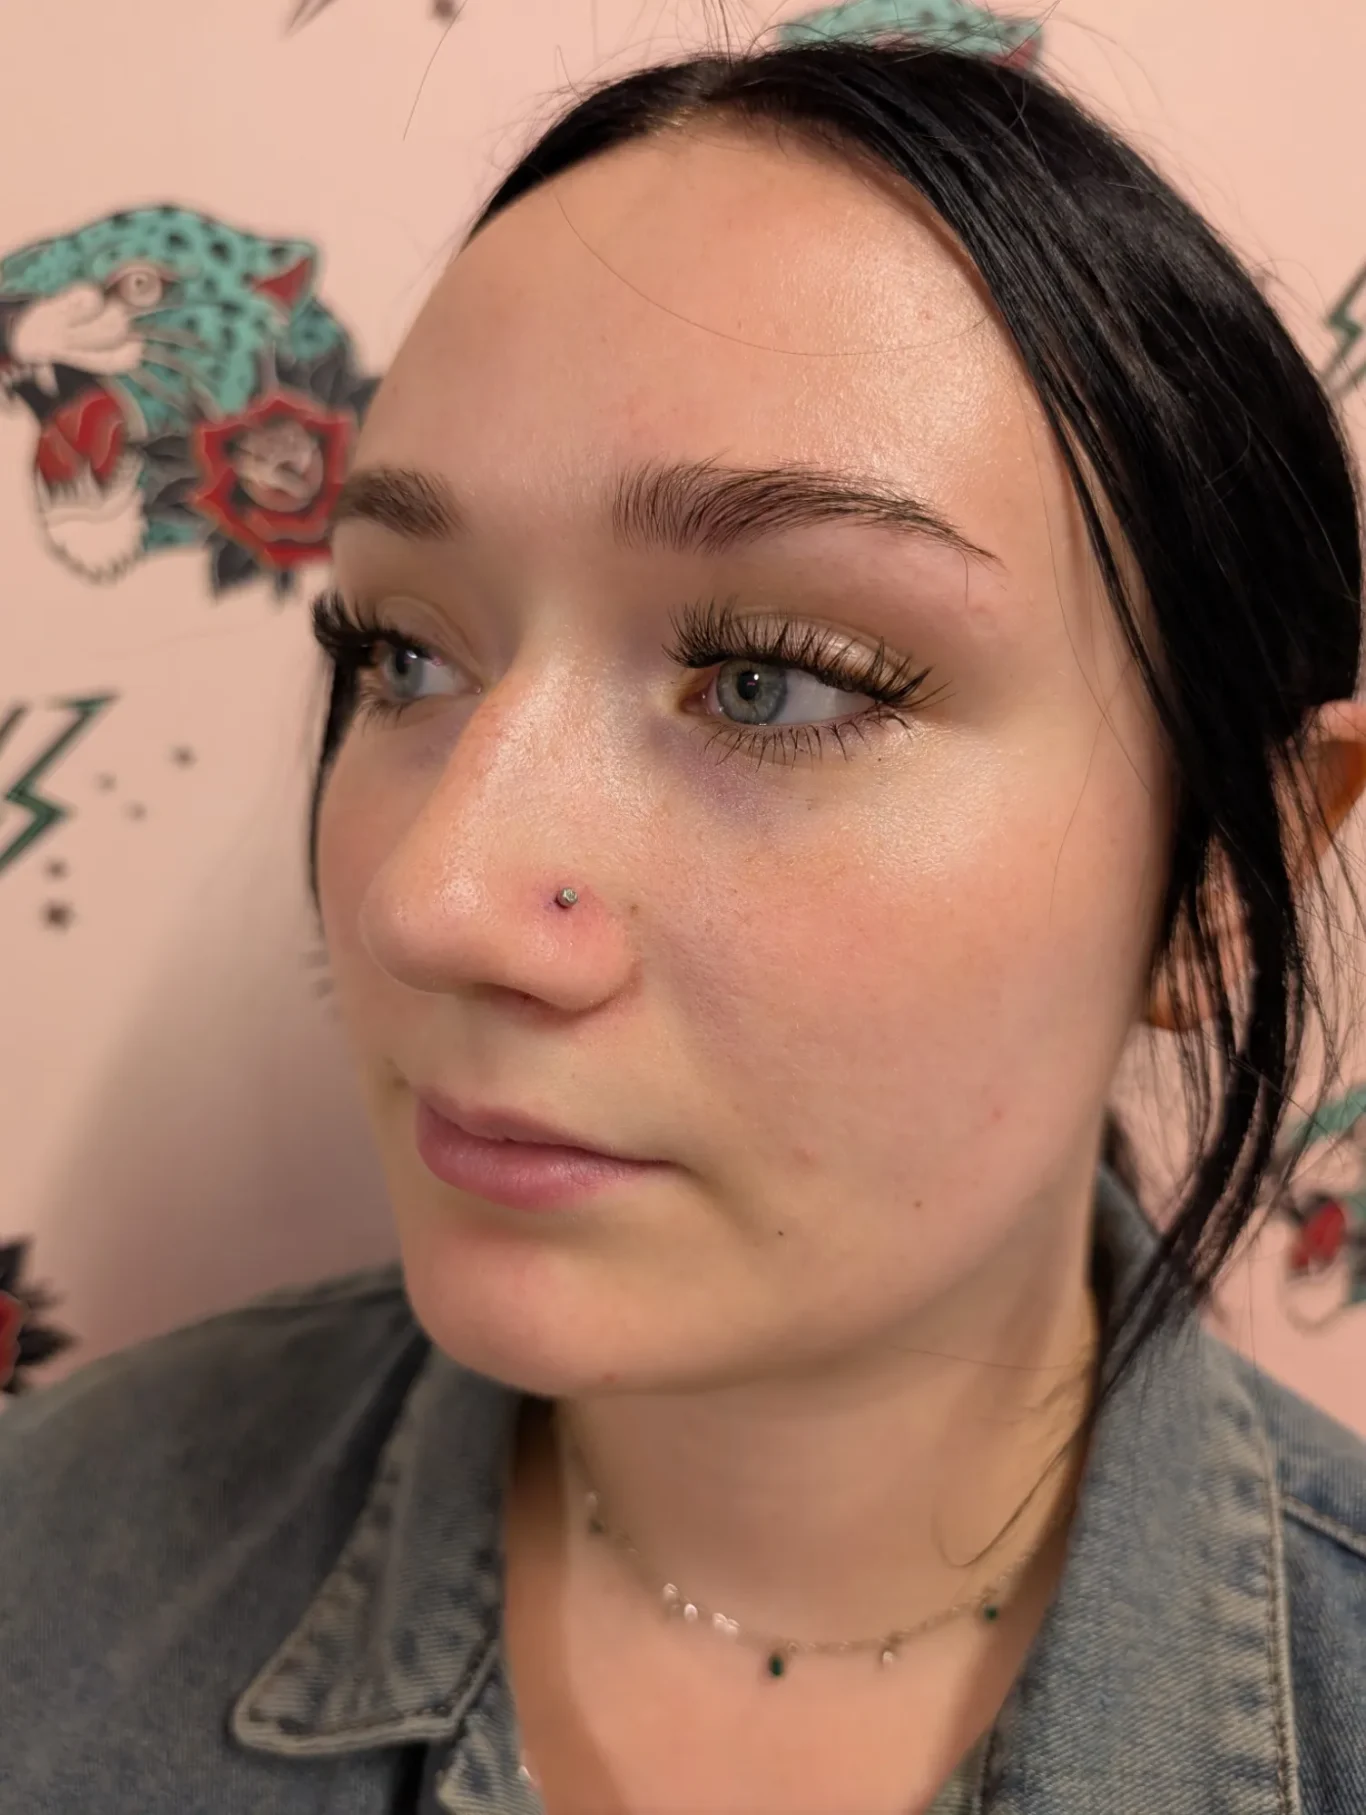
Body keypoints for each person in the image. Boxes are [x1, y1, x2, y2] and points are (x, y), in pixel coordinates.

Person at [3, 36, 1365, 1815]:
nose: (432, 903)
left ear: (1212, 885)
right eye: (403, 651)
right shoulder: (58, 1566)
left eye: (774, 681)